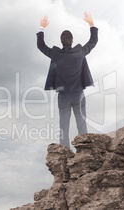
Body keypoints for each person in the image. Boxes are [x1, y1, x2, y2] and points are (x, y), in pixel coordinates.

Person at [36, 12, 98, 147]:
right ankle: (85, 150)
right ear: (72, 40)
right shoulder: (80, 52)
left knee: (63, 126)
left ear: (61, 41)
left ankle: (64, 152)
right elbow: (93, 42)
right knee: (81, 124)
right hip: (78, 95)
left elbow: (41, 45)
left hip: (63, 97)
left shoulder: (55, 54)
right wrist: (91, 24)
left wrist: (42, 28)